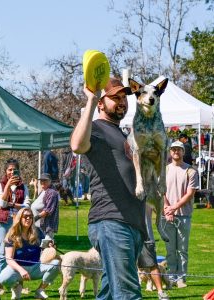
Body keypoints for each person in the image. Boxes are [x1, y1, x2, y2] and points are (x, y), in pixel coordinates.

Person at [70, 78, 147, 299]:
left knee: (109, 292)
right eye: (115, 97)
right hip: (112, 220)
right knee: (128, 293)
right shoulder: (96, 128)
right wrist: (91, 101)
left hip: (132, 223)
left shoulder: (122, 134)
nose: (122, 101)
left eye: (124, 97)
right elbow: (77, 145)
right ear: (102, 104)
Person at [0, 207, 60, 299]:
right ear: (20, 218)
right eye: (25, 216)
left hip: (36, 267)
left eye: (31, 216)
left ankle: (40, 290)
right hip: (18, 269)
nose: (28, 218)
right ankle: (16, 287)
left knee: (56, 264)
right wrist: (21, 270)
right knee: (3, 278)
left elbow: (44, 247)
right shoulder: (12, 235)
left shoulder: (37, 231)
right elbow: (9, 259)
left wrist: (50, 246)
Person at [162, 140, 198, 288]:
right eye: (174, 149)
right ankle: (171, 277)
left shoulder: (191, 170)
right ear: (170, 152)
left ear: (183, 152)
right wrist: (166, 208)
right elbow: (161, 191)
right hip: (167, 215)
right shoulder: (164, 170)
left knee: (182, 249)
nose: (176, 152)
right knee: (170, 249)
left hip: (184, 215)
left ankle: (181, 278)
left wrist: (174, 208)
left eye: (179, 149)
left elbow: (190, 193)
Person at [0, 158, 31, 293]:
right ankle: (0, 283)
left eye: (15, 169)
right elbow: (2, 204)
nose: (12, 172)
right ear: (5, 171)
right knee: (3, 252)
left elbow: (27, 205)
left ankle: (19, 283)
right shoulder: (0, 185)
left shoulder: (24, 187)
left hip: (18, 222)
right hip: (5, 222)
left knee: (19, 251)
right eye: (9, 169)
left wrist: (12, 204)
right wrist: (8, 186)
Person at [137, 206, 170, 300]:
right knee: (133, 266)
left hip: (147, 236)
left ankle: (160, 292)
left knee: (152, 264)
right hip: (130, 234)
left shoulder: (150, 197)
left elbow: (160, 211)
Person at [31, 173, 59, 240]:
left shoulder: (52, 193)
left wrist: (34, 219)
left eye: (45, 180)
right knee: (39, 248)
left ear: (50, 181)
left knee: (46, 248)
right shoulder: (43, 191)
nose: (42, 182)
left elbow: (47, 211)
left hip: (47, 227)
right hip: (38, 226)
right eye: (41, 180)